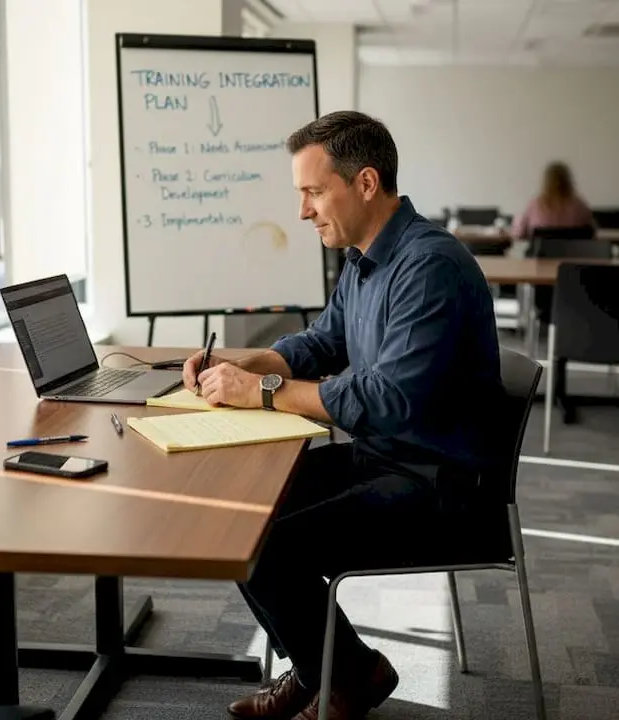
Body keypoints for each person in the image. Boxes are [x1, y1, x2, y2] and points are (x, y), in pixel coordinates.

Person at [182, 111, 503, 720]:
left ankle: (350, 678)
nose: (303, 211)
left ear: (364, 183)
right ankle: (322, 670)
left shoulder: (427, 266)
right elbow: (322, 341)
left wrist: (264, 391)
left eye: (312, 191)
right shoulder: (364, 257)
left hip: (442, 484)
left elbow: (386, 397)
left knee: (268, 544)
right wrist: (235, 365)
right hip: (387, 456)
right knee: (242, 514)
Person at [511, 161, 593, 424]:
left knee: (550, 317)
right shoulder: (579, 206)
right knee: (569, 320)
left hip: (546, 295)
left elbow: (518, 233)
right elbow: (594, 237)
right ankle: (561, 389)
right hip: (579, 295)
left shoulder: (537, 205)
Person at [509, 161, 594, 241]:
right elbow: (591, 232)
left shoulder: (535, 204)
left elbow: (519, 234)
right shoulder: (580, 205)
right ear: (568, 181)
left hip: (541, 255)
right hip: (575, 255)